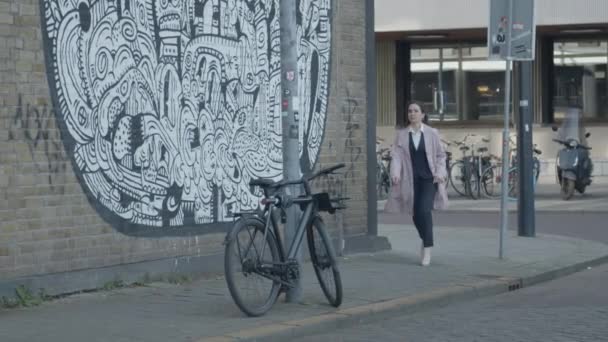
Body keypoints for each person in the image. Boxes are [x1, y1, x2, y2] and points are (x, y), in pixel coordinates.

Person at [384, 101, 448, 266]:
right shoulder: (402, 134)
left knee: (424, 210)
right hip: (410, 180)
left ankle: (427, 247)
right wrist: (395, 173)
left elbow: (441, 155)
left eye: (415, 111)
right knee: (415, 214)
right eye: (410, 111)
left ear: (422, 115)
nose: (412, 113)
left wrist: (440, 173)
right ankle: (425, 237)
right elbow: (397, 156)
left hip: (429, 179)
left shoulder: (432, 133)